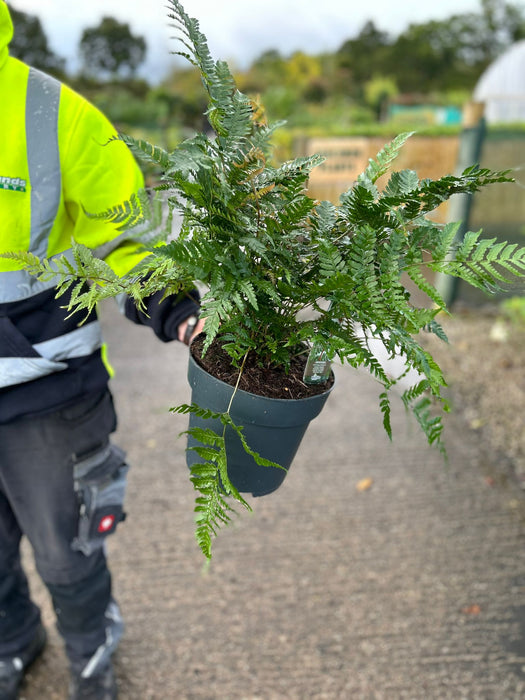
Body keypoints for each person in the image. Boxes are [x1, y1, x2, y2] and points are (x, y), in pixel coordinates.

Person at [0, 3, 203, 699]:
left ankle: (90, 654)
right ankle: (13, 640)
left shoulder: (54, 114)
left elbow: (128, 241)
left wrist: (177, 309)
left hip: (50, 391)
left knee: (67, 550)